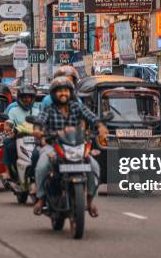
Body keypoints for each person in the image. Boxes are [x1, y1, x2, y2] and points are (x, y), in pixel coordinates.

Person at [32, 76, 108, 217]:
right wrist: (38, 130)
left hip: (76, 146)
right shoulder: (49, 109)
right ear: (54, 94)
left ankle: (89, 201)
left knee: (94, 167)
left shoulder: (77, 106)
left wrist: (101, 127)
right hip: (53, 146)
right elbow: (39, 122)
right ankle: (41, 199)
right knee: (42, 166)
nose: (63, 94)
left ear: (70, 92)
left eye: (66, 91)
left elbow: (91, 117)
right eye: (59, 91)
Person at [1, 84, 39, 184]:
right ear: (20, 98)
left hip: (35, 139)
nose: (27, 99)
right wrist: (9, 130)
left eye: (29, 97)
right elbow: (9, 122)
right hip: (18, 138)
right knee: (7, 144)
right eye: (25, 97)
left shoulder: (37, 111)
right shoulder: (13, 110)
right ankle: (8, 172)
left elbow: (43, 124)